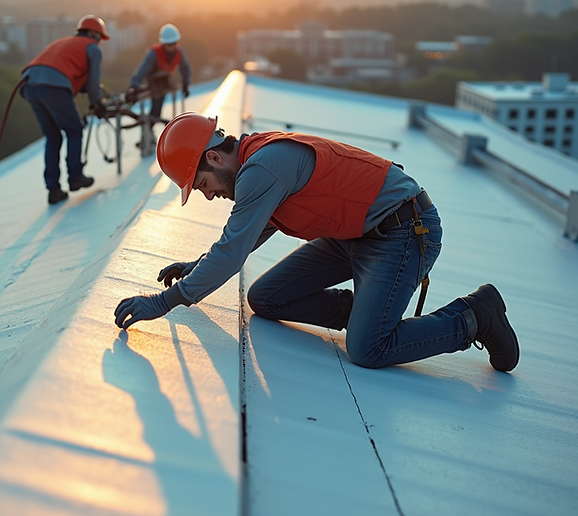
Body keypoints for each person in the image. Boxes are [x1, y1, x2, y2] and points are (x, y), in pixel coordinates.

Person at [114, 113, 520, 372]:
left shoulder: (262, 168)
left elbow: (233, 249)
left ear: (215, 158)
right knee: (266, 298)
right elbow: (247, 235)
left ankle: (472, 316)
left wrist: (164, 302)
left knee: (368, 350)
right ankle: (368, 311)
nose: (207, 195)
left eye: (201, 184)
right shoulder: (255, 164)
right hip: (354, 236)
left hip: (403, 232)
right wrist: (197, 264)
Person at [21, 14, 107, 205]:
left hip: (30, 86)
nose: (100, 42)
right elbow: (93, 84)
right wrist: (98, 104)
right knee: (74, 130)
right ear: (93, 33)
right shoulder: (92, 48)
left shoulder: (64, 42)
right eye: (100, 37)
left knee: (53, 137)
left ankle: (53, 189)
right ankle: (75, 176)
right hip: (54, 88)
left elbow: (62, 69)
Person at [125, 23, 192, 128]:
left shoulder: (179, 52)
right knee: (155, 111)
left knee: (157, 111)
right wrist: (133, 87)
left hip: (165, 82)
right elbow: (141, 72)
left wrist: (186, 83)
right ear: (163, 43)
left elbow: (185, 68)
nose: (171, 47)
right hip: (153, 84)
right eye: (169, 44)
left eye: (173, 43)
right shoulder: (153, 54)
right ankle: (147, 135)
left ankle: (151, 129)